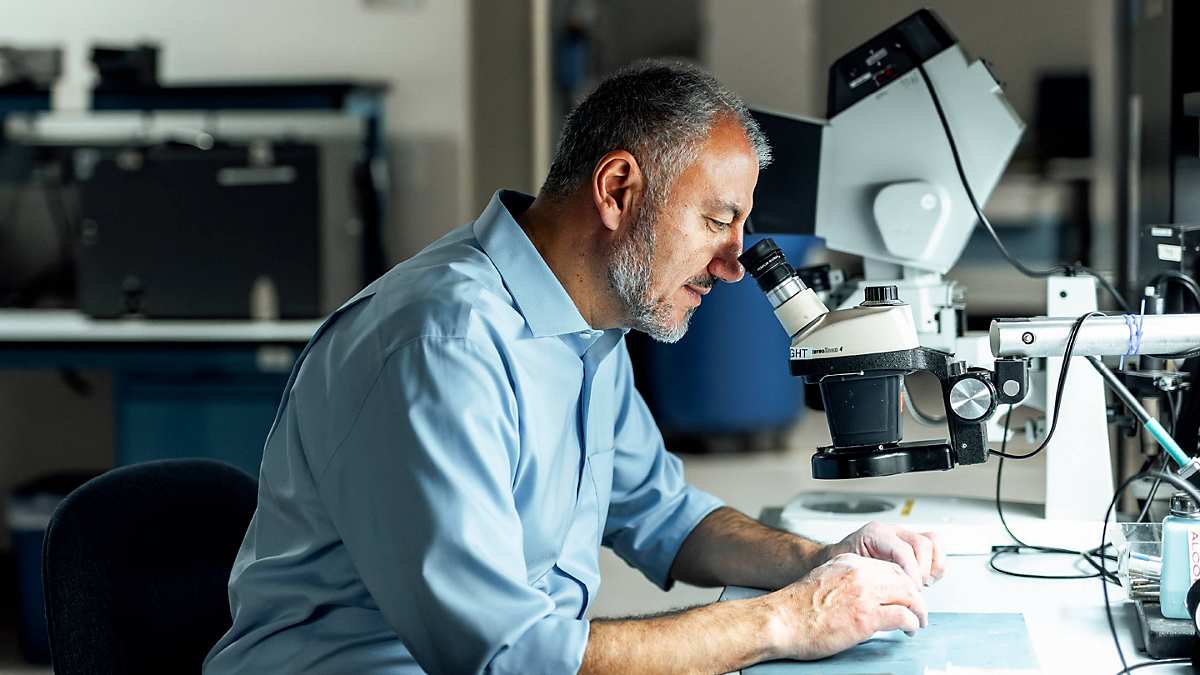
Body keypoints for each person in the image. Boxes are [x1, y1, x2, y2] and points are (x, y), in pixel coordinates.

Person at [204, 59, 944, 675]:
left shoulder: (587, 324)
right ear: (619, 190)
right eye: (718, 221)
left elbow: (662, 514)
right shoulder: (445, 341)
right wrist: (785, 620)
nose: (730, 266)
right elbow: (506, 656)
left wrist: (816, 560)